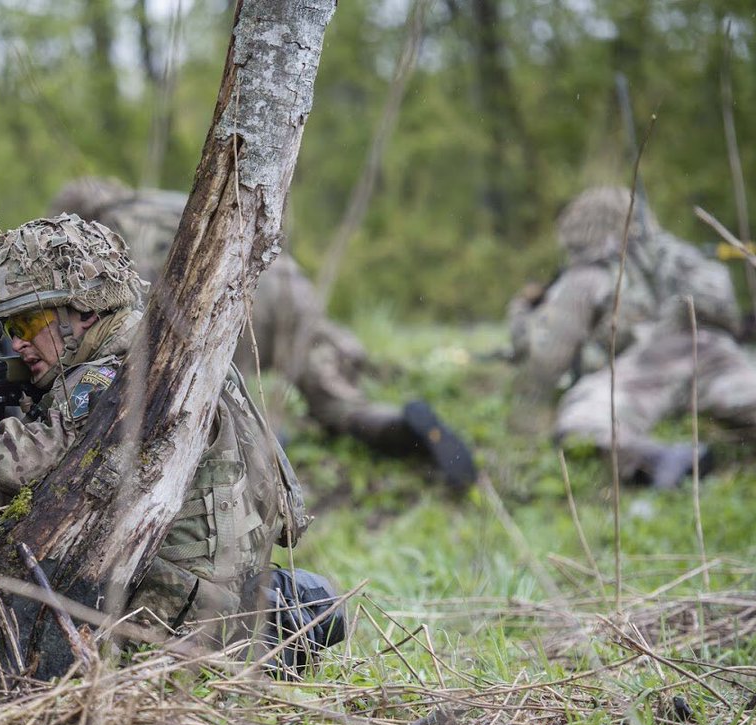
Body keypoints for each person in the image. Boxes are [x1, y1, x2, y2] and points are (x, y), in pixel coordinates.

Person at [0, 214, 343, 662]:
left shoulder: (112, 375)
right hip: (220, 590)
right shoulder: (166, 346)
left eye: (29, 321)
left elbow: (32, 467)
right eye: (9, 326)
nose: (18, 341)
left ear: (86, 309)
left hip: (178, 620)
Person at [47, 178, 478, 492]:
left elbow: (132, 310)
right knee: (334, 394)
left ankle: (266, 444)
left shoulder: (105, 232)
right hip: (284, 283)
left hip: (223, 304)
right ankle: (390, 424)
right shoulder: (171, 198)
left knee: (221, 396)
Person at [508, 185, 756, 488]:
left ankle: (657, 460)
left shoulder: (589, 274)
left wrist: (521, 309)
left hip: (643, 368)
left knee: (582, 422)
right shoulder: (675, 254)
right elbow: (723, 308)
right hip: (711, 351)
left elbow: (542, 351)